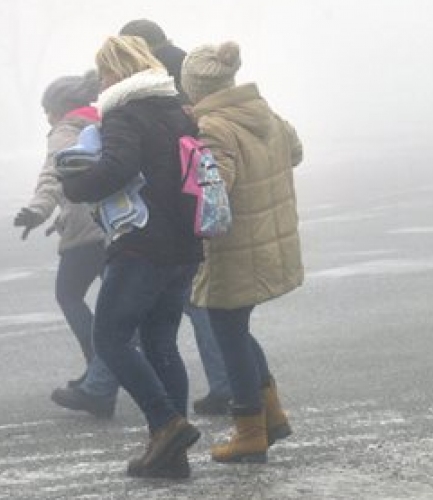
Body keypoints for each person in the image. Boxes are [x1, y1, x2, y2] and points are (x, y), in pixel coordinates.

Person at [60, 35, 202, 479]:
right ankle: (171, 455)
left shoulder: (123, 111)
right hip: (183, 244)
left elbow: (118, 166)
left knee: (111, 339)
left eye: (104, 72)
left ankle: (166, 424)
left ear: (117, 72)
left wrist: (76, 186)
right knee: (160, 343)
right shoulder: (176, 111)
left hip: (141, 243)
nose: (101, 81)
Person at [181, 41, 304, 463]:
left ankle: (250, 430)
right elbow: (296, 151)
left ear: (194, 87)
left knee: (227, 331)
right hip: (268, 238)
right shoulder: (262, 112)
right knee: (236, 328)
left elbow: (218, 187)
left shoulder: (213, 125)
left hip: (233, 249)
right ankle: (272, 415)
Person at [119, 18, 233, 415]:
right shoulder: (183, 67)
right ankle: (227, 383)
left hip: (174, 213)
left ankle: (222, 386)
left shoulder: (155, 77)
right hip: (189, 211)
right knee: (192, 305)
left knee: (188, 308)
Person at [13, 71, 119, 418]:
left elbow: (55, 174)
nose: (46, 117)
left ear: (60, 108)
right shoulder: (104, 122)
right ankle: (100, 374)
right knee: (117, 307)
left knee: (69, 295)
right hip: (114, 225)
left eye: (47, 109)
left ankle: (97, 370)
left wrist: (37, 210)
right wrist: (61, 216)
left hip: (85, 234)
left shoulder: (65, 131)